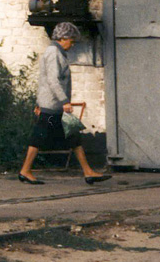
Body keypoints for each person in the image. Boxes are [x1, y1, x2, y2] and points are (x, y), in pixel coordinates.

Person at [17, 21, 111, 185]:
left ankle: (88, 172)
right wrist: (64, 101)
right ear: (64, 37)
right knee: (40, 137)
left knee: (72, 135)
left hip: (52, 104)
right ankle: (25, 170)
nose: (72, 44)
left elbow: (44, 80)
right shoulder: (54, 53)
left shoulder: (56, 52)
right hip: (53, 105)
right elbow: (52, 80)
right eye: (71, 41)